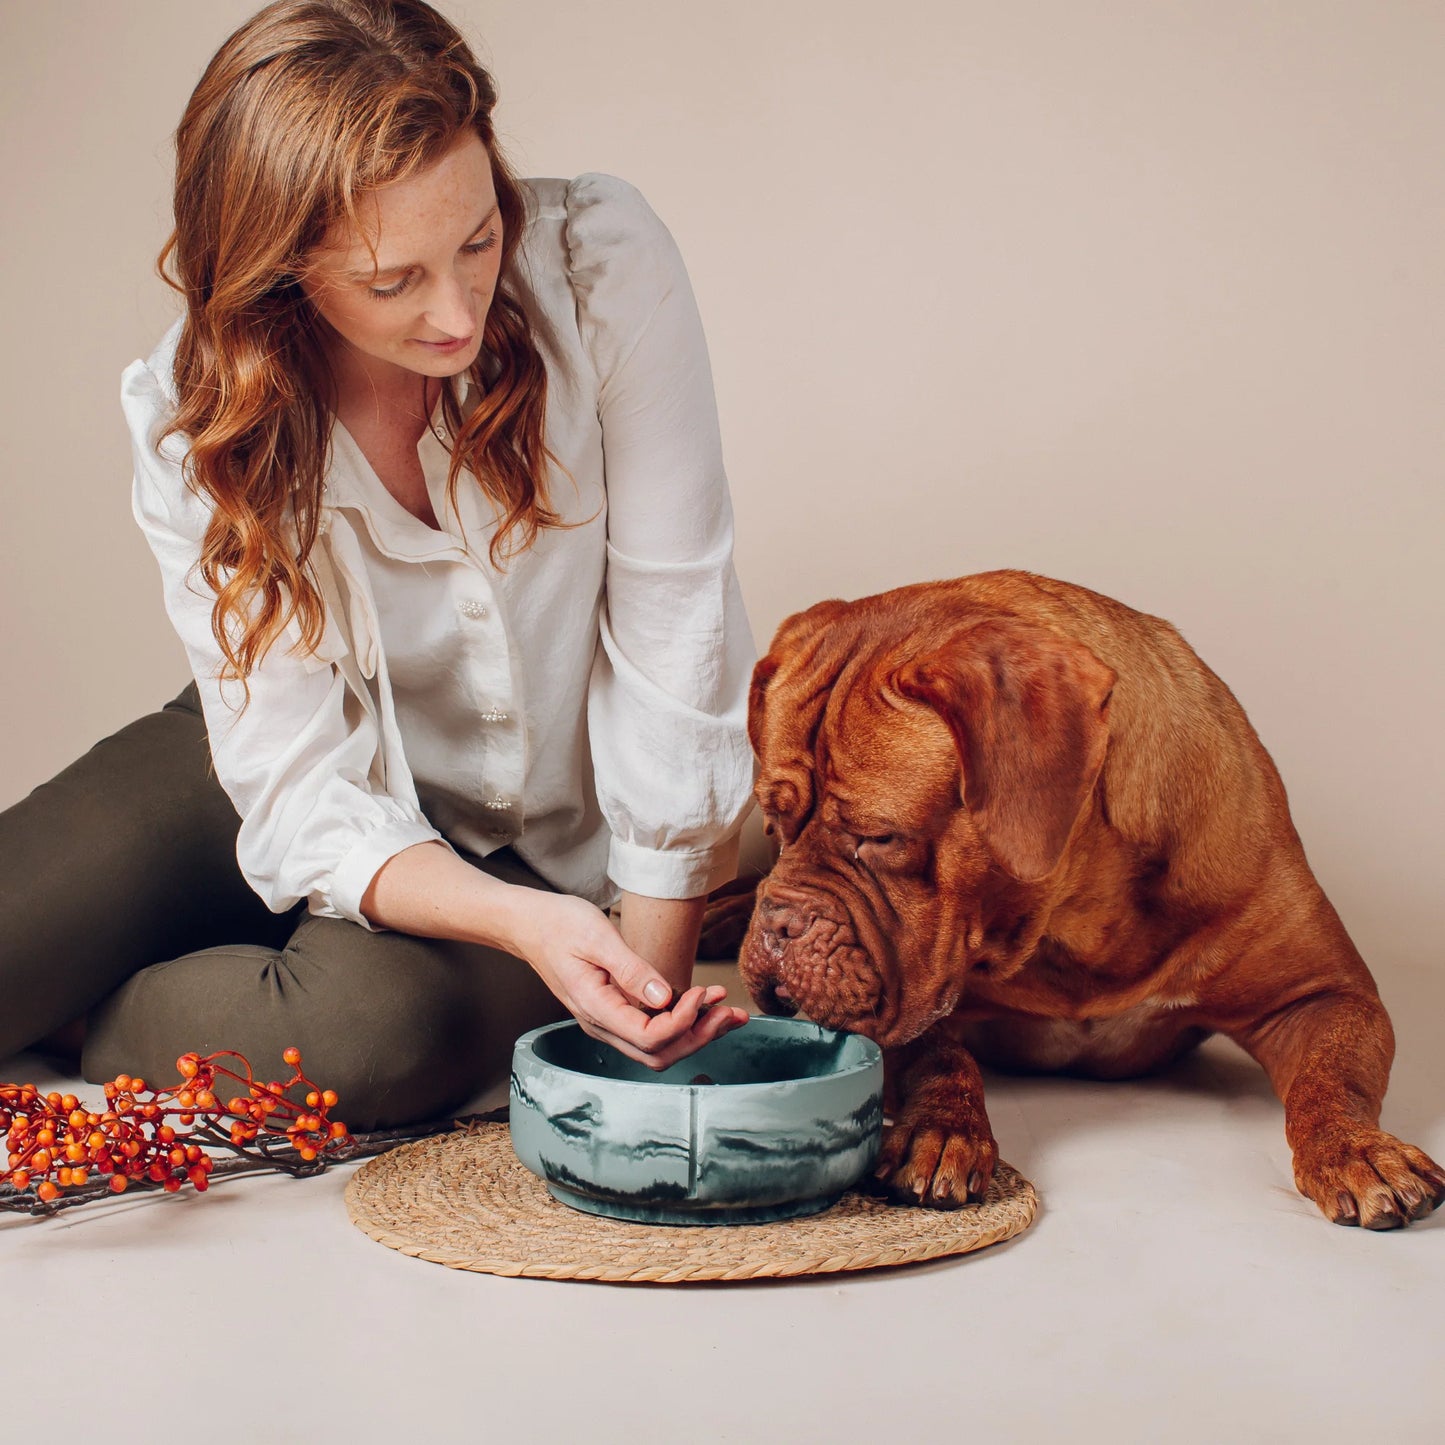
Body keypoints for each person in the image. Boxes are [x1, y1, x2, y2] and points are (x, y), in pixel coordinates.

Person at [0, 0, 756, 1131]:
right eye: (392, 280)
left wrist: (634, 995)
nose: (455, 311)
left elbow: (676, 629)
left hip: (538, 864)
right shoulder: (191, 407)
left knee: (369, 1041)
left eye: (474, 240)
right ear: (281, 266)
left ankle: (77, 1020)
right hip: (278, 759)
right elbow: (293, 773)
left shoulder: (599, 270)